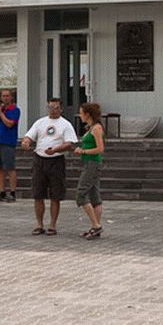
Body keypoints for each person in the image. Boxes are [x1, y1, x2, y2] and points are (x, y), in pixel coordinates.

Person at [21, 98, 77, 236]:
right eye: (50, 107)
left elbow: (70, 144)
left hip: (56, 160)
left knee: (55, 195)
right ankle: (39, 224)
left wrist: (56, 149)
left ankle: (52, 225)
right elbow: (29, 136)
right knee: (37, 194)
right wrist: (26, 142)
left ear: (61, 109)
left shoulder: (65, 124)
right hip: (39, 160)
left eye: (56, 108)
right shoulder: (40, 122)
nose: (53, 110)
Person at [73, 103, 105, 240]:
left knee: (81, 193)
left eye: (81, 113)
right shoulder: (91, 127)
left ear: (88, 114)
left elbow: (100, 149)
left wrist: (83, 151)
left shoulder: (96, 128)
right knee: (94, 196)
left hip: (93, 164)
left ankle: (96, 225)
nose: (80, 115)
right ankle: (95, 226)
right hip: (89, 163)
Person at [0, 89, 21, 202]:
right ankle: (2, 192)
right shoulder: (1, 110)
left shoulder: (15, 110)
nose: (5, 98)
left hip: (9, 141)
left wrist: (0, 113)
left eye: (7, 96)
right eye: (3, 96)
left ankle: (12, 192)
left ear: (11, 97)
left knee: (10, 167)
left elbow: (9, 123)